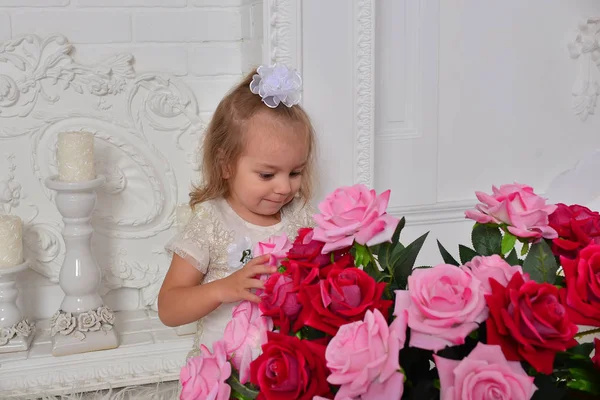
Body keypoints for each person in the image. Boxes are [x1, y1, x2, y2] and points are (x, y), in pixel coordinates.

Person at [157, 64, 317, 358]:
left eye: (295, 172)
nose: (284, 187)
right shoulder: (211, 222)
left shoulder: (300, 217)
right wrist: (222, 289)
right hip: (226, 375)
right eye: (267, 175)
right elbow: (169, 308)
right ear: (226, 165)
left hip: (285, 370)